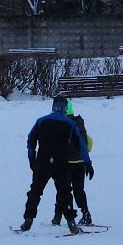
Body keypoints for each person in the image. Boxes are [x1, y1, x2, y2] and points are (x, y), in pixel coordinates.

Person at [22, 95, 88, 233]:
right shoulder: (70, 124)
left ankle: (28, 220)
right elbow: (81, 144)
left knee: (35, 190)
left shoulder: (41, 121)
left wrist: (31, 159)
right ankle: (71, 224)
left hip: (43, 161)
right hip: (61, 163)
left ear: (53, 106)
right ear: (65, 108)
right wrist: (87, 162)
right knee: (65, 192)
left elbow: (30, 141)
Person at [51, 100, 96, 227]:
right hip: (80, 163)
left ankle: (58, 216)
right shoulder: (79, 123)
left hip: (65, 163)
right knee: (79, 190)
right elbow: (88, 143)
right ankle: (86, 214)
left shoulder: (60, 124)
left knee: (63, 190)